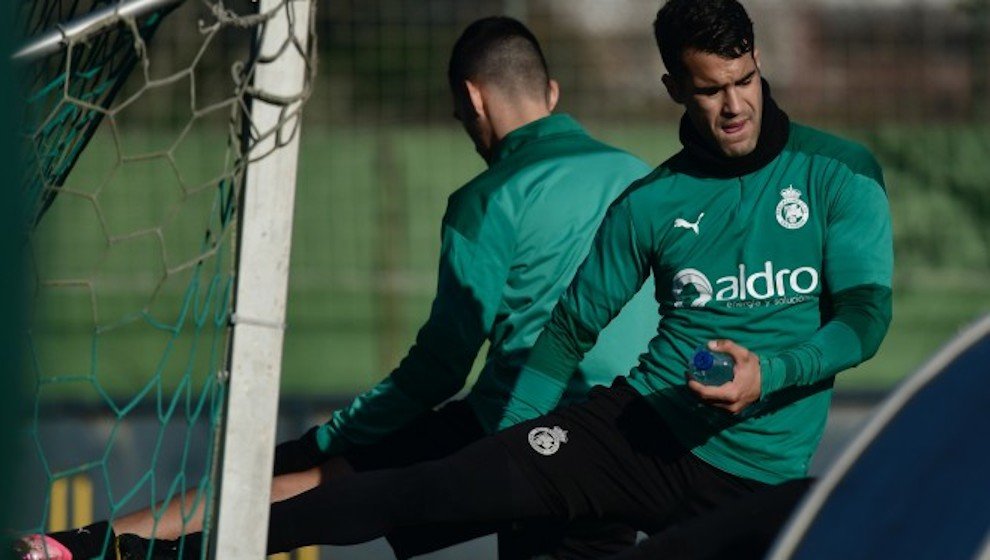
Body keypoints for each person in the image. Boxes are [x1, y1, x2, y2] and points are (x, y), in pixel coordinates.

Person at [130, 0, 888, 557]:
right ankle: (159, 553)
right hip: (637, 431)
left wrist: (772, 372)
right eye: (710, 89)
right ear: (674, 90)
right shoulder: (651, 198)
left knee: (838, 522)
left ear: (759, 63)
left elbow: (864, 319)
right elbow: (565, 334)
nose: (734, 106)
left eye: (744, 80)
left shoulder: (838, 173)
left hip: (754, 475)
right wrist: (512, 449)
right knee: (422, 488)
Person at [16, 16, 658, 560]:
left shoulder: (487, 201)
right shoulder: (639, 176)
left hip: (517, 433)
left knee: (297, 473)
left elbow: (437, 371)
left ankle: (85, 547)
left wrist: (336, 434)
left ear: (473, 100)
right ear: (551, 91)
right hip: (629, 434)